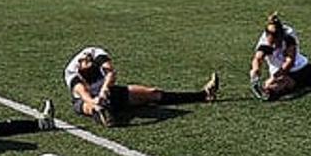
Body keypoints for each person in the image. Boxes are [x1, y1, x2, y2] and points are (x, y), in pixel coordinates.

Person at [66, 46, 219, 127]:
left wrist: (105, 89)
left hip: (109, 92)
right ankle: (102, 114)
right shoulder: (72, 72)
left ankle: (204, 95)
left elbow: (111, 73)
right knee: (89, 105)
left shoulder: (97, 53)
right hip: (84, 100)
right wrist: (96, 102)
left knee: (153, 93)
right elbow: (84, 93)